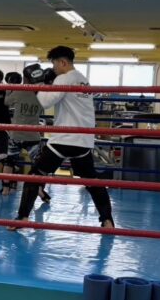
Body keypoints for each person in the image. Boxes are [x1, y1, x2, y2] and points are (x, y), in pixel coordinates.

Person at [11, 46, 115, 230]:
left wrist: (38, 85)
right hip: (84, 141)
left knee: (34, 176)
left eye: (54, 64)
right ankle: (107, 221)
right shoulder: (83, 80)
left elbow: (46, 102)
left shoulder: (64, 78)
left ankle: (22, 218)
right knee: (92, 181)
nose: (54, 68)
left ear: (63, 62)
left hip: (64, 140)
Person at [1, 65, 51, 203]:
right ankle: (39, 189)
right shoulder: (42, 94)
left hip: (16, 135)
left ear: (25, 78)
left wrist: (9, 88)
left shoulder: (19, 91)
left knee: (9, 162)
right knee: (39, 165)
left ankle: (5, 189)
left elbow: (6, 102)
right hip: (33, 136)